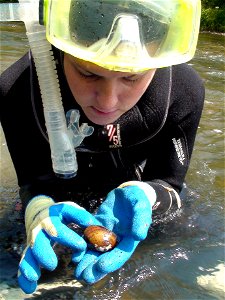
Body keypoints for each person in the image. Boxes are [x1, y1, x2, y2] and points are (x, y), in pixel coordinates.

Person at [0, 0, 205, 295]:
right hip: (56, 201)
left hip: (130, 208)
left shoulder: (184, 90)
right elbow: (33, 182)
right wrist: (37, 210)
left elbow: (171, 185)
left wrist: (147, 194)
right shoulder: (17, 89)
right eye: (88, 73)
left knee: (189, 231)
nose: (107, 103)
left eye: (131, 77)